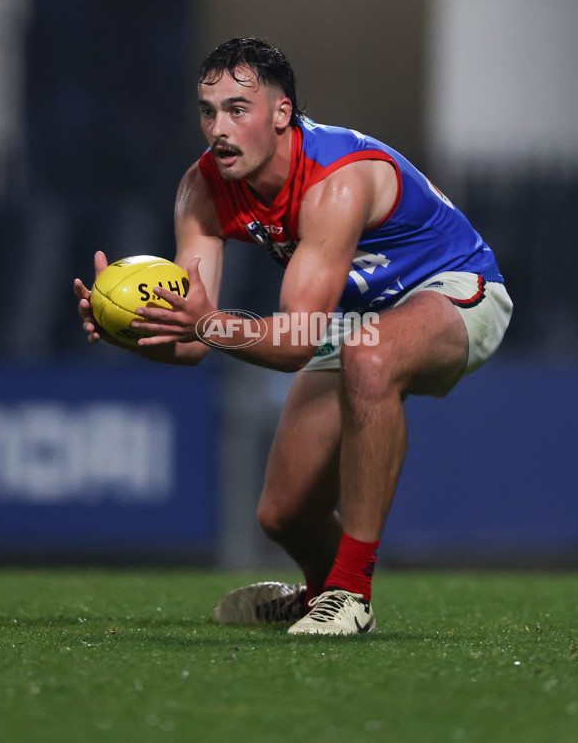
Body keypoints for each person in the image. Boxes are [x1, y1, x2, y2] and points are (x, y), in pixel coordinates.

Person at [75, 37, 512, 635]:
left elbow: (298, 342)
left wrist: (206, 320)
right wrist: (135, 328)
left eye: (237, 108)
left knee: (370, 355)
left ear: (281, 114)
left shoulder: (335, 179)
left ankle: (351, 597)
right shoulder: (201, 189)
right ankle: (319, 594)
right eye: (208, 110)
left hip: (456, 291)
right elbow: (195, 345)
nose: (218, 128)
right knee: (284, 514)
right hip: (356, 318)